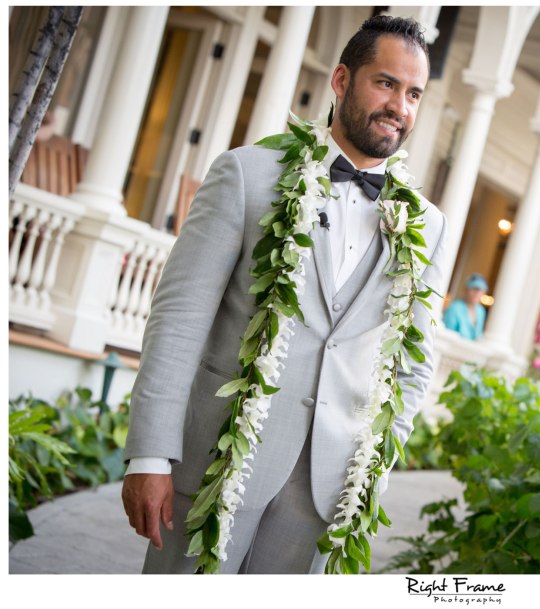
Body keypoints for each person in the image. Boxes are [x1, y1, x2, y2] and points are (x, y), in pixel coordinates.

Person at [121, 15, 447, 574]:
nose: (400, 106)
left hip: (325, 488)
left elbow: (413, 362)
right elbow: (179, 319)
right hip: (218, 459)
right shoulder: (247, 174)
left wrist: (375, 465)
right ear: (341, 80)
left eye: (414, 93)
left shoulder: (428, 226)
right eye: (386, 83)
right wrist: (149, 454)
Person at [442, 273, 488, 340]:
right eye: (474, 289)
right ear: (465, 290)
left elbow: (478, 336)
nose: (477, 293)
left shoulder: (480, 311)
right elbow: (446, 335)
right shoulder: (454, 308)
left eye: (481, 291)